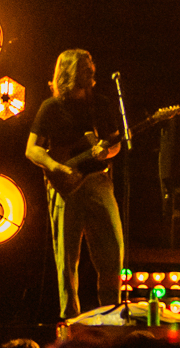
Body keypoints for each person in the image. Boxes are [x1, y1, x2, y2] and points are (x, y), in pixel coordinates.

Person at [25, 49, 124, 319]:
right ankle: (70, 318)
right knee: (67, 258)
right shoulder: (51, 107)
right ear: (69, 72)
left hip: (98, 181)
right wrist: (56, 166)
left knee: (113, 251)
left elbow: (114, 142)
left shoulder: (100, 104)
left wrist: (108, 152)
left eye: (91, 66)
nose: (91, 71)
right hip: (64, 187)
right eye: (84, 67)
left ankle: (110, 314)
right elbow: (32, 149)